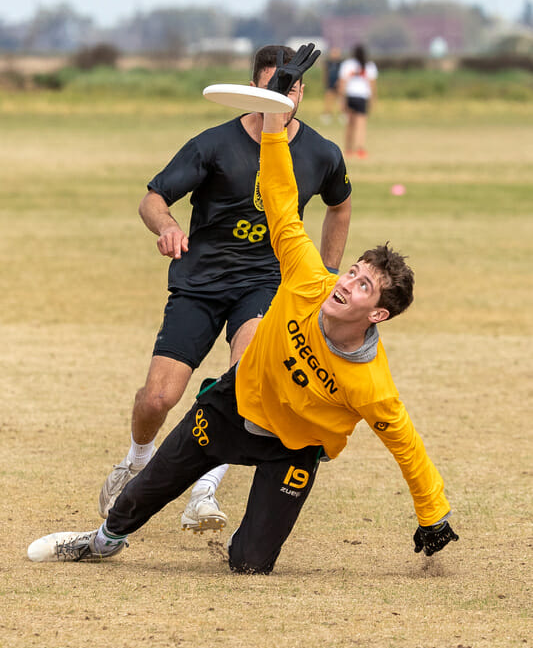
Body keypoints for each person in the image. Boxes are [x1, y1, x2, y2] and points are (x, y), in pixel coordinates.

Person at [28, 45, 458, 572]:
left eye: (364, 285)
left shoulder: (370, 379)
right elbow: (277, 197)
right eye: (353, 272)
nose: (347, 282)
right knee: (150, 449)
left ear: (378, 315)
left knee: (250, 565)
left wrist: (433, 514)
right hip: (220, 351)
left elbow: (407, 446)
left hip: (290, 434)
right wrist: (271, 133)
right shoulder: (295, 262)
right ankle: (105, 533)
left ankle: (212, 499)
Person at [97, 44, 352, 534]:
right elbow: (152, 199)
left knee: (244, 386)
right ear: (254, 87)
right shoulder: (214, 144)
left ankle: (204, 493)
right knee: (158, 398)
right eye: (277, 84)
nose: (287, 95)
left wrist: (327, 271)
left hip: (265, 283)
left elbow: (339, 205)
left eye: (294, 87)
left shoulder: (322, 153)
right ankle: (135, 462)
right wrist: (167, 227)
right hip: (200, 283)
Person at [338, 44, 378, 158]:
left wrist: (341, 99)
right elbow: (372, 85)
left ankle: (348, 149)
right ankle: (360, 148)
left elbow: (342, 83)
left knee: (349, 124)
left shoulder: (347, 65)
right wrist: (373, 99)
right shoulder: (369, 66)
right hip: (362, 97)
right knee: (361, 125)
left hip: (350, 96)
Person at [321, 46, 342, 123]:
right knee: (328, 99)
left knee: (340, 100)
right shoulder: (328, 63)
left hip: (339, 84)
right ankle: (327, 115)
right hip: (330, 83)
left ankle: (341, 115)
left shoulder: (341, 63)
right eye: (333, 53)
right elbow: (325, 73)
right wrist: (325, 82)